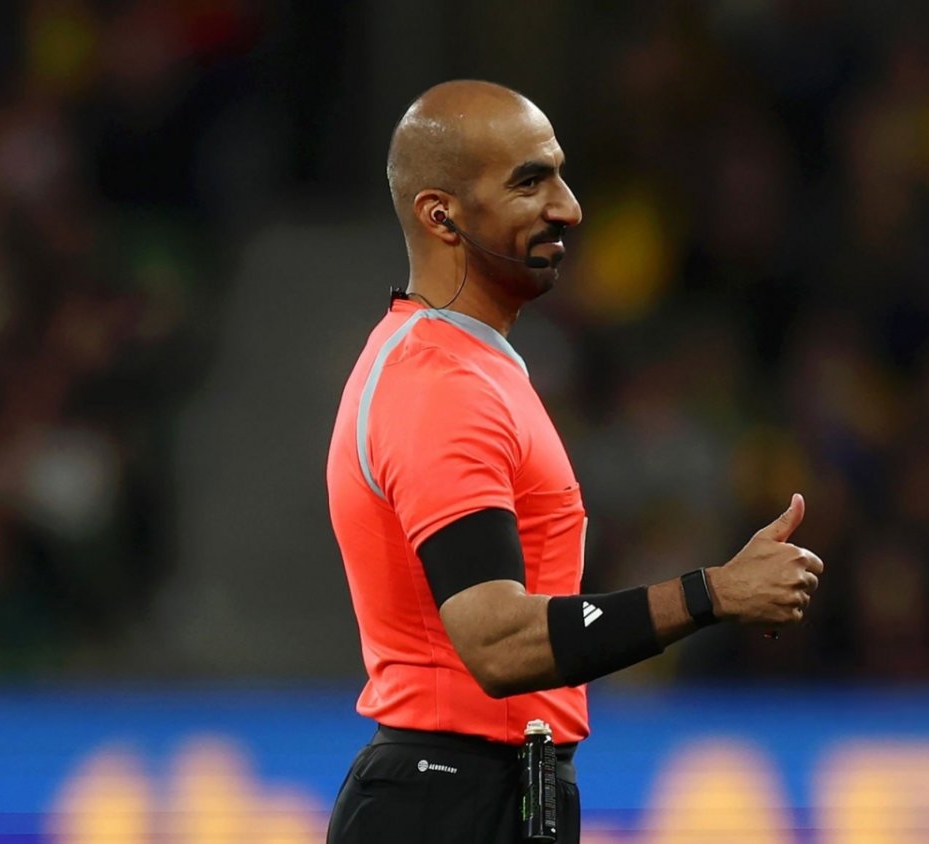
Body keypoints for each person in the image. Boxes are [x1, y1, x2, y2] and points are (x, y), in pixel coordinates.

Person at [323, 79, 824, 844]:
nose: (569, 208)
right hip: (448, 798)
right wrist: (711, 593)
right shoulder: (440, 385)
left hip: (475, 790)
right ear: (440, 214)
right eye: (529, 183)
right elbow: (495, 641)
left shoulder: (471, 366)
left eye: (559, 176)